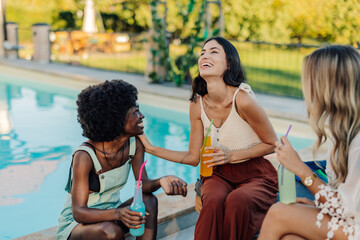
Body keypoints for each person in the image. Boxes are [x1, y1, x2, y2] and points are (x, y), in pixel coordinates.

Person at [139, 37, 279, 240]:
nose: (205, 55)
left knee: (237, 201)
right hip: (217, 174)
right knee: (212, 199)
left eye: (214, 52)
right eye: (203, 52)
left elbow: (272, 143)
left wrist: (232, 156)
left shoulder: (243, 99)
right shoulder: (197, 102)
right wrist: (151, 149)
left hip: (255, 174)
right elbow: (193, 157)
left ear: (229, 63)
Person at [56, 80, 188, 240]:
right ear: (115, 119)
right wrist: (118, 213)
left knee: (149, 201)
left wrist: (161, 181)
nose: (141, 116)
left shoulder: (134, 145)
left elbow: (143, 184)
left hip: (112, 213)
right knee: (111, 232)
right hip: (77, 226)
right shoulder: (85, 156)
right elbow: (79, 212)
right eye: (135, 112)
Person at [258, 45, 360, 240]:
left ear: (327, 86)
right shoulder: (342, 134)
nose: (307, 90)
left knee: (279, 212)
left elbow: (348, 211)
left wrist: (300, 168)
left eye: (310, 81)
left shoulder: (358, 141)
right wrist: (317, 205)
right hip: (350, 222)